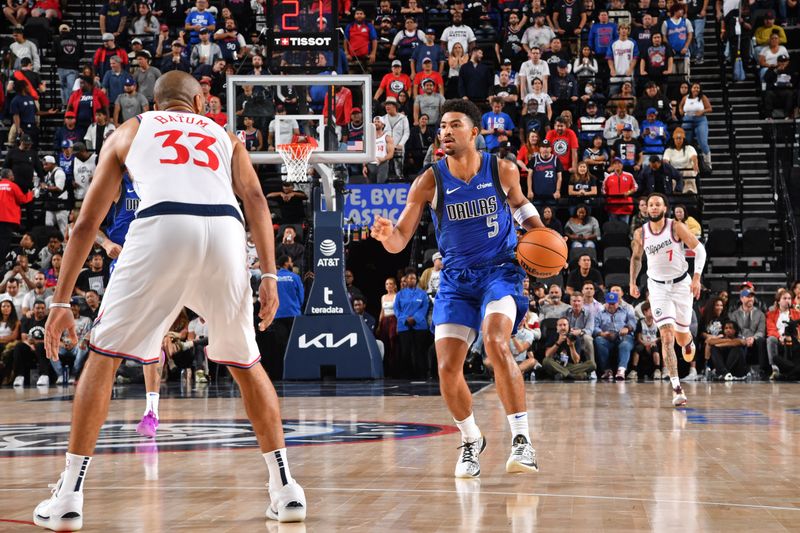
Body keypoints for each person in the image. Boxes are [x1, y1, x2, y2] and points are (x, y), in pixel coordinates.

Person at [35, 71, 306, 531]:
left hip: (162, 226)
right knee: (246, 362)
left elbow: (84, 224)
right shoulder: (224, 134)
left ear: (154, 102)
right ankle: (286, 490)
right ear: (199, 102)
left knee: (103, 357)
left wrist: (61, 303)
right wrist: (270, 274)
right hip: (226, 231)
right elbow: (257, 199)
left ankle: (68, 495)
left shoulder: (132, 129)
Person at [372, 99, 543, 478]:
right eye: (442, 127)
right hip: (455, 281)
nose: (445, 132)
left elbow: (521, 205)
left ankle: (521, 441)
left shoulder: (502, 170)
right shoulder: (429, 180)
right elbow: (400, 238)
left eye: (454, 125)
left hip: (500, 271)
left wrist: (541, 233)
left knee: (496, 341)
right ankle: (470, 440)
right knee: (447, 368)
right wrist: (387, 237)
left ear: (474, 132)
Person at [630, 192, 707, 406]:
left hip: (681, 284)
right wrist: (632, 282)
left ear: (665, 209)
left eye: (657, 204)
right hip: (657, 287)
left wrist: (697, 278)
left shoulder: (676, 227)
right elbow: (636, 258)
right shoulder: (640, 233)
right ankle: (676, 387)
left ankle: (688, 341)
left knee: (682, 337)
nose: (653, 207)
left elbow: (699, 250)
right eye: (650, 204)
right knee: (666, 336)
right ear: (646, 209)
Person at [393, 268, 430, 379]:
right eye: (409, 278)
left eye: (414, 278)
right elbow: (396, 309)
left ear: (416, 280)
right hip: (404, 326)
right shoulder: (400, 294)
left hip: (419, 326)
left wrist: (415, 318)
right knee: (405, 351)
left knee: (419, 351)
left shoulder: (422, 294)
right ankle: (406, 375)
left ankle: (421, 374)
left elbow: (425, 308)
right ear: (406, 280)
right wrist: (405, 319)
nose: (411, 280)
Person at [766, 288, 800, 380]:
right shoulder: (771, 314)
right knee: (770, 339)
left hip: (794, 340)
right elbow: (771, 329)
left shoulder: (797, 314)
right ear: (778, 301)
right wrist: (779, 337)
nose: (787, 300)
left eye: (789, 298)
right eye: (784, 298)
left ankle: (792, 370)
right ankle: (775, 369)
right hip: (778, 339)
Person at [0, 168, 33, 262]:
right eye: (12, 175)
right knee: (4, 242)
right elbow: (22, 199)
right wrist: (31, 194)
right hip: (8, 219)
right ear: (9, 176)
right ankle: (2, 262)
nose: (13, 176)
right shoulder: (13, 186)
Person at [631, 301, 661, 380]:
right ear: (645, 312)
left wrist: (653, 342)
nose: (653, 312)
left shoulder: (657, 322)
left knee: (655, 349)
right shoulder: (640, 322)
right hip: (643, 342)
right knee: (638, 348)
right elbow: (639, 337)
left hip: (653, 342)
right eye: (651, 310)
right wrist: (645, 344)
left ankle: (657, 370)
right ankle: (634, 371)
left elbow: (660, 337)